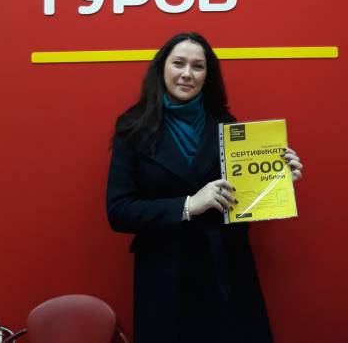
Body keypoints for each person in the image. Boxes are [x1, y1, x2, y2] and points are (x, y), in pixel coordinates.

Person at [106, 32, 303, 343]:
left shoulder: (226, 125)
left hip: (226, 271)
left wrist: (276, 179)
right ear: (161, 68)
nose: (187, 74)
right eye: (179, 63)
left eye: (198, 66)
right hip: (164, 278)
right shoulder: (132, 128)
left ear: (207, 75)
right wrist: (188, 205)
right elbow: (119, 211)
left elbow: (241, 204)